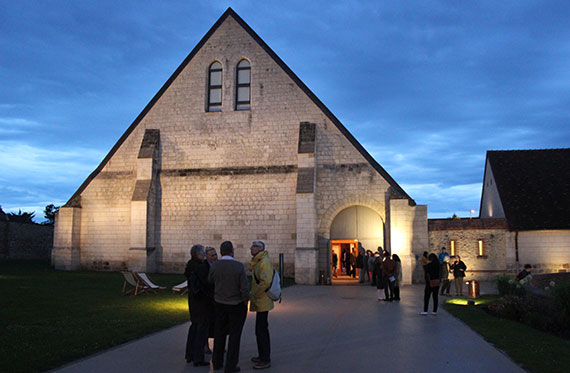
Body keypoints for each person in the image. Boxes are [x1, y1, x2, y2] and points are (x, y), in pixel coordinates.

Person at [208, 241, 249, 373]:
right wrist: (245, 301)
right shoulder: (238, 266)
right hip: (235, 304)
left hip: (220, 303)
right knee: (234, 336)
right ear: (232, 251)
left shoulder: (215, 266)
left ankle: (217, 361)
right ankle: (231, 366)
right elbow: (244, 287)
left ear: (220, 252)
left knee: (219, 333)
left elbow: (210, 280)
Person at [184, 244, 211, 366]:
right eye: (203, 253)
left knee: (194, 326)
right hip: (201, 300)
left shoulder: (190, 265)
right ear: (198, 254)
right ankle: (198, 357)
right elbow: (206, 282)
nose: (204, 255)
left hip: (193, 299)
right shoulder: (200, 267)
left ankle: (190, 354)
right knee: (201, 328)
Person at [249, 241, 273, 370]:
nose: (251, 248)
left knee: (262, 330)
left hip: (262, 300)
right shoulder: (259, 261)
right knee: (260, 330)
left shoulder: (264, 262)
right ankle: (262, 355)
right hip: (260, 300)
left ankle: (265, 359)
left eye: (254, 246)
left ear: (260, 248)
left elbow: (266, 282)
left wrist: (254, 293)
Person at [204, 246, 218, 354]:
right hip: (207, 299)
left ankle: (218, 346)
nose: (215, 257)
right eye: (212, 255)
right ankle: (205, 346)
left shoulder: (217, 265)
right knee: (207, 323)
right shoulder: (204, 267)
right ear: (207, 256)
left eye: (215, 254)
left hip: (217, 298)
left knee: (217, 323)